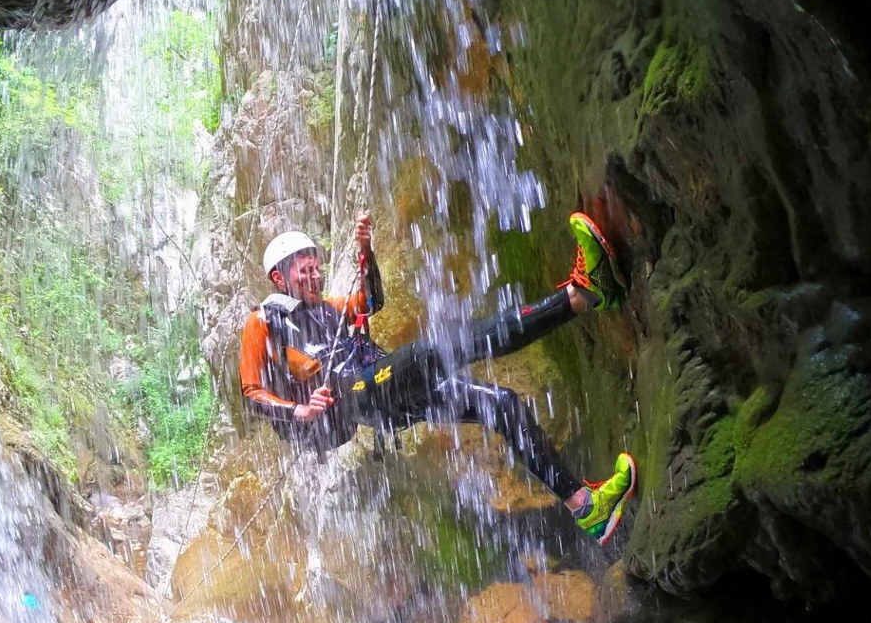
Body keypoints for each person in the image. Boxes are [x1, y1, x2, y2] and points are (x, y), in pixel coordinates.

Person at [239, 209, 637, 543]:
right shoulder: (263, 323)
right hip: (356, 398)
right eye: (305, 271)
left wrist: (366, 252)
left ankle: (586, 508)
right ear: (280, 278)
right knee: (438, 349)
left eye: (316, 268)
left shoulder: (331, 307)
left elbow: (371, 301)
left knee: (500, 404)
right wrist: (299, 411)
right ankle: (582, 294)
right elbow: (251, 391)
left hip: (385, 394)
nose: (315, 276)